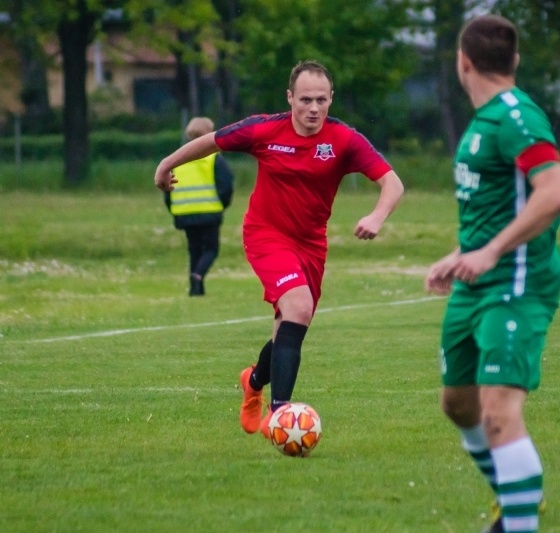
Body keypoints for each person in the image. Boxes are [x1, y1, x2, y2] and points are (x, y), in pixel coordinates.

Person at [154, 60, 404, 438]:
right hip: (266, 235)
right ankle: (280, 417)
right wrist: (166, 165)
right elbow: (212, 140)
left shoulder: (344, 140)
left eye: (321, 99)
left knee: (288, 327)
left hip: (311, 245)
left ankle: (253, 382)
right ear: (290, 98)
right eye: (305, 99)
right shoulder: (264, 129)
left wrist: (377, 217)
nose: (314, 108)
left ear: (331, 99)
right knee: (299, 308)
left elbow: (392, 183)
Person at [424, 15, 560, 533]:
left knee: (498, 413)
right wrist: (461, 252)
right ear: (515, 60)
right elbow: (496, 206)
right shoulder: (485, 119)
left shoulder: (516, 116)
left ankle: (520, 519)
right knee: (458, 403)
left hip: (516, 283)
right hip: (476, 283)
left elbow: (554, 193)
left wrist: (489, 253)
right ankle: (516, 500)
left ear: (463, 63)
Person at [164, 117, 234, 296]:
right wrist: (222, 204)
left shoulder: (179, 158)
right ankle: (198, 275)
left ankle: (196, 289)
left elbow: (167, 186)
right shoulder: (212, 158)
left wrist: (173, 208)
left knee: (194, 249)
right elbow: (226, 184)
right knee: (211, 249)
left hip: (184, 211)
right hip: (209, 210)